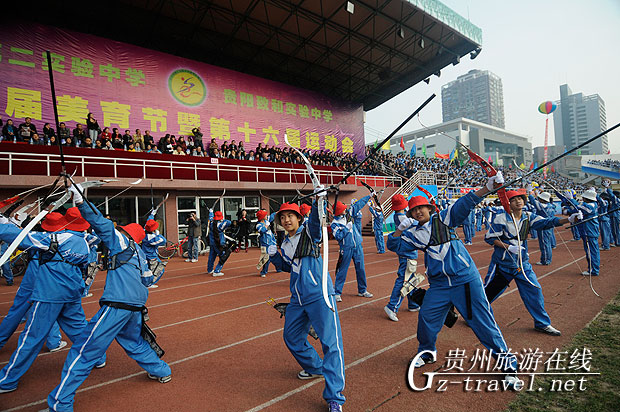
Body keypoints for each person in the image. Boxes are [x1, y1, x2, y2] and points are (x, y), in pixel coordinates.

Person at [387, 172, 522, 389]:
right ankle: (427, 352)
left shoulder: (443, 220)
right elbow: (394, 246)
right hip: (439, 285)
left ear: (430, 208)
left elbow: (465, 203)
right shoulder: (413, 234)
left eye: (422, 207)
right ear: (410, 213)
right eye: (414, 209)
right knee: (427, 318)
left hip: (465, 281)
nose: (418, 211)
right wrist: (399, 230)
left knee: (483, 324)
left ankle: (509, 367)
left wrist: (488, 187)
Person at [47, 184, 171, 411]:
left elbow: (103, 226)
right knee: (134, 343)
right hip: (135, 307)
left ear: (125, 234)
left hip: (117, 307)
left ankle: (60, 403)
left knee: (84, 351)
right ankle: (161, 370)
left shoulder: (121, 243)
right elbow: (148, 280)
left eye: (121, 230)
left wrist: (82, 202)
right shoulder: (139, 253)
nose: (118, 231)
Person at [0, 211, 103, 393]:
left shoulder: (55, 238)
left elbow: (19, 236)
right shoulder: (86, 241)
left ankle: (7, 380)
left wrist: (3, 223)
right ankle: (97, 357)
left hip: (49, 295)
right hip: (71, 292)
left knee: (32, 337)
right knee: (79, 329)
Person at [268, 201, 346, 412]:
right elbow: (288, 266)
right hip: (298, 299)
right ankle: (315, 367)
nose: (286, 220)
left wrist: (318, 198)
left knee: (331, 344)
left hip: (319, 294)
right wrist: (274, 255)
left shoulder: (309, 233)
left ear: (299, 218)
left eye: (290, 216)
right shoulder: (285, 242)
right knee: (292, 337)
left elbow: (315, 220)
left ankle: (335, 398)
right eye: (282, 217)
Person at [483, 189, 581, 336]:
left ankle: (542, 323)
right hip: (503, 265)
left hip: (522, 264)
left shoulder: (528, 217)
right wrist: (509, 247)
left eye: (521, 198)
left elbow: (547, 222)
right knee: (488, 293)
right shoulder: (500, 218)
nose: (519, 201)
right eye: (514, 199)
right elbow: (490, 238)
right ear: (507, 203)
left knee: (534, 290)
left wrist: (569, 219)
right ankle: (472, 315)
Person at [383, 194, 420, 322]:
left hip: (408, 253)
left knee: (410, 279)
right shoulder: (404, 218)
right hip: (407, 254)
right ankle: (392, 306)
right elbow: (418, 224)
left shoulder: (399, 216)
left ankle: (413, 303)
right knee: (404, 280)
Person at [330, 196, 373, 302]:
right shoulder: (334, 224)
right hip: (346, 248)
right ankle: (337, 292)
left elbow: (358, 205)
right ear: (340, 211)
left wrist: (369, 196)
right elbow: (339, 237)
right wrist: (346, 228)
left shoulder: (348, 214)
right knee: (342, 271)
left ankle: (362, 290)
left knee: (361, 269)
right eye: (343, 208)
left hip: (357, 246)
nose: (346, 208)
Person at [528, 190, 555, 265]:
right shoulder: (551, 205)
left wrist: (531, 194)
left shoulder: (542, 206)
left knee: (544, 243)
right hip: (549, 224)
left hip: (543, 225)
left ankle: (545, 260)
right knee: (547, 243)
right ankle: (547, 259)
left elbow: (533, 201)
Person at [142, 212, 167, 288]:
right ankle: (149, 284)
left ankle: (146, 283)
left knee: (147, 271)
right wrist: (158, 234)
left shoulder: (144, 232)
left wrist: (152, 214)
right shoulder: (151, 238)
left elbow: (149, 221)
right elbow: (163, 241)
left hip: (145, 256)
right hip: (151, 257)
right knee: (158, 270)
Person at [255, 209, 281, 277]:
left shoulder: (267, 220)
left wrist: (278, 211)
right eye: (265, 215)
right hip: (265, 244)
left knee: (275, 255)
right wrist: (266, 226)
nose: (267, 215)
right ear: (262, 217)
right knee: (267, 258)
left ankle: (278, 268)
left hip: (271, 242)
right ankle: (263, 272)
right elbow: (263, 230)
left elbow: (272, 215)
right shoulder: (258, 225)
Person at [207, 211, 231, 277]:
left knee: (212, 256)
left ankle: (209, 269)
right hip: (219, 243)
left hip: (212, 242)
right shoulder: (220, 225)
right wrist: (222, 219)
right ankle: (217, 271)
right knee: (224, 255)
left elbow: (210, 217)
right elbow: (229, 222)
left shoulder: (211, 222)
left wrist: (211, 212)